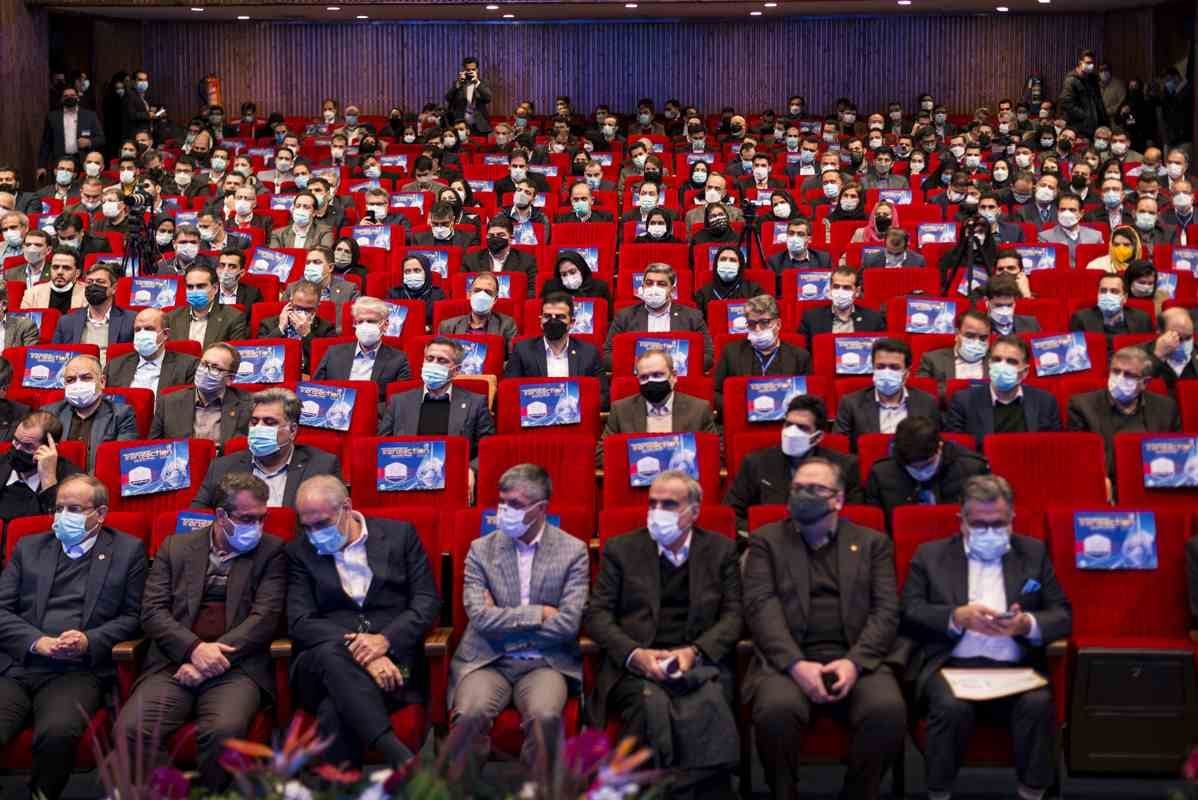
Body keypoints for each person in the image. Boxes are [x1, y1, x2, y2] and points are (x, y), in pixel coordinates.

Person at [901, 474, 1072, 800]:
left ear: (1012, 519)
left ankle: (1033, 793)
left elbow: (1062, 613)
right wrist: (955, 617)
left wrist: (1026, 624)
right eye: (979, 525)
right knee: (950, 708)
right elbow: (909, 611)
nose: (990, 532)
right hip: (952, 666)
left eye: (999, 524)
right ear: (962, 521)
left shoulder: (1032, 552)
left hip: (1016, 668)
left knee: (1038, 704)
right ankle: (939, 793)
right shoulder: (930, 556)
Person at [743, 458, 906, 800]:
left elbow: (886, 610)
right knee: (775, 711)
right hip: (789, 660)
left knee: (886, 709)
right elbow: (761, 608)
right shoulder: (766, 541)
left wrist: (854, 663)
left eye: (815, 489)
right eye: (798, 489)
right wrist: (795, 665)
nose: (804, 495)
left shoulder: (872, 543)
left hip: (856, 656)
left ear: (838, 499)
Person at [119, 472, 286, 792]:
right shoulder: (176, 547)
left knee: (223, 731)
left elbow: (265, 618)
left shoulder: (272, 551)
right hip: (174, 663)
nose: (257, 526)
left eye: (262, 518)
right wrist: (194, 650)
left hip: (237, 667)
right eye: (247, 519)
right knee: (131, 729)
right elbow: (152, 611)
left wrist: (209, 659)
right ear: (221, 516)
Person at [586, 469, 743, 798]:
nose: (657, 512)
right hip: (637, 666)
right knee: (649, 708)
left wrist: (694, 652)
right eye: (653, 503)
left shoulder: (721, 550)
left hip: (698, 661)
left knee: (708, 702)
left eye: (669, 504)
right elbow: (597, 615)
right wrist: (635, 655)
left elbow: (734, 616)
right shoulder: (621, 549)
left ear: (694, 512)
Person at [0, 474, 146, 800]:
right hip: (20, 664)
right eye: (59, 508)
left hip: (77, 671)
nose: (63, 516)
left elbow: (134, 618)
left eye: (75, 509)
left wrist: (88, 640)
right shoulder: (29, 547)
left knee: (57, 733)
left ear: (101, 513)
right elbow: (2, 609)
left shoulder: (127, 551)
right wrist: (36, 641)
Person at [287, 474, 440, 768]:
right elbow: (301, 621)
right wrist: (364, 653)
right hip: (319, 669)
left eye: (322, 524)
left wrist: (385, 641)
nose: (314, 534)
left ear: (346, 507)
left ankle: (345, 785)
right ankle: (398, 756)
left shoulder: (400, 536)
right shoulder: (299, 552)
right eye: (306, 526)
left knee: (334, 712)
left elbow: (426, 601)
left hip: (394, 665)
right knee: (329, 652)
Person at [450, 464, 589, 765]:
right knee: (468, 717)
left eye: (515, 504)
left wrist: (501, 619)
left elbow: (568, 624)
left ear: (541, 508)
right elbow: (480, 618)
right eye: (501, 502)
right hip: (489, 660)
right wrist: (539, 614)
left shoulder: (573, 551)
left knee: (545, 718)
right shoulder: (480, 550)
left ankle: (537, 788)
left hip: (545, 663)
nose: (504, 511)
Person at [725, 395, 862, 532]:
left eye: (802, 427)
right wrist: (762, 536)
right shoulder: (756, 463)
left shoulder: (845, 467)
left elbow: (853, 520)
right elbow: (731, 514)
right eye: (788, 424)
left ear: (818, 437)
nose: (792, 432)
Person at [191, 388, 340, 509]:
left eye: (270, 422)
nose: (258, 428)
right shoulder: (222, 467)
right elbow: (198, 518)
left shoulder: (321, 467)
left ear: (292, 430)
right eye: (254, 422)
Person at [378, 337, 494, 462]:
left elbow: (488, 448)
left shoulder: (476, 403)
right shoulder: (399, 402)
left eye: (442, 360)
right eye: (429, 359)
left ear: (456, 370)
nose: (433, 364)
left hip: (456, 469)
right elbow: (381, 445)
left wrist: (472, 469)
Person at [864, 416, 990, 521]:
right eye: (913, 467)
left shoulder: (972, 470)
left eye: (927, 464)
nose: (920, 471)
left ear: (940, 446)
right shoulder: (880, 474)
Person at [945, 335, 1062, 447]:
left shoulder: (1045, 402)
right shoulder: (963, 402)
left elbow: (1052, 448)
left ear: (1025, 372)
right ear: (989, 364)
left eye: (1011, 361)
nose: (1002, 366)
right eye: (996, 360)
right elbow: (957, 451)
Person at [604, 263, 714, 370]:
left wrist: (679, 366)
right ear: (642, 287)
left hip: (677, 378)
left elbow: (708, 355)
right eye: (649, 283)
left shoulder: (692, 317)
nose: (654, 288)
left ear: (672, 290)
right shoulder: (624, 316)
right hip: (637, 378)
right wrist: (638, 366)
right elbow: (607, 355)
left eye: (661, 284)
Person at [712, 294, 811, 409]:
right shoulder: (731, 353)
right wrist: (737, 409)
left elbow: (807, 398)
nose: (758, 329)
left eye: (764, 322)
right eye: (752, 324)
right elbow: (715, 392)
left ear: (778, 324)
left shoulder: (800, 357)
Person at [835, 338, 939, 446]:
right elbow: (839, 448)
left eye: (894, 367)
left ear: (907, 372)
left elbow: (935, 445)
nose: (886, 372)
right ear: (873, 368)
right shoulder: (851, 404)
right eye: (880, 367)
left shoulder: (927, 403)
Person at [42, 354, 137, 468]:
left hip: (98, 478)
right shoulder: (49, 414)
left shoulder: (122, 415)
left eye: (86, 378)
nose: (78, 384)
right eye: (70, 380)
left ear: (102, 381)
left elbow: (118, 462)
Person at [149, 343, 253, 443]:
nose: (205, 371)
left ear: (230, 378)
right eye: (203, 364)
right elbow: (153, 447)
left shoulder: (246, 405)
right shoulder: (168, 403)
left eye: (215, 367)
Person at [505, 293, 604, 394]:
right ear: (541, 321)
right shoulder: (522, 351)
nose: (553, 321)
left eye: (560, 317)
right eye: (547, 316)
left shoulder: (589, 353)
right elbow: (509, 391)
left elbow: (602, 394)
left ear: (572, 323)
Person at [0, 411, 80, 522]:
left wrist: (48, 480)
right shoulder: (3, 461)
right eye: (15, 441)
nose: (17, 449)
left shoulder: (72, 481)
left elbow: (62, 524)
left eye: (28, 446)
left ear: (50, 448)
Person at [104, 308, 198, 395]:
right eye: (137, 330)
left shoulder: (188, 366)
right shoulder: (114, 367)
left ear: (165, 334)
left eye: (149, 329)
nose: (142, 334)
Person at [49, 263, 132, 358]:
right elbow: (55, 357)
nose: (93, 286)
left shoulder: (130, 320)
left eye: (100, 282)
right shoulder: (66, 321)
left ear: (114, 288)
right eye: (89, 282)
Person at [258, 280, 336, 374]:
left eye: (308, 310)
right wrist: (280, 329)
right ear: (290, 302)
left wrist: (307, 334)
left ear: (317, 306)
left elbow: (329, 362)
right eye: (298, 308)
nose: (302, 313)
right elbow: (259, 357)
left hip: (308, 376)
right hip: (277, 375)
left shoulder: (327, 328)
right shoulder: (268, 324)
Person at [798, 267, 886, 348]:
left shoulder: (873, 319)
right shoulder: (811, 318)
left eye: (846, 287)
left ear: (857, 292)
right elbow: (804, 353)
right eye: (836, 287)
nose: (840, 292)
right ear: (830, 289)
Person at [166, 263, 249, 349]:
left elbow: (235, 353)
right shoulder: (172, 317)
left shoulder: (233, 317)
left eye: (200, 286)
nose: (194, 291)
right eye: (190, 287)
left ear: (215, 288)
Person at [438, 271, 519, 351]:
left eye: (488, 292)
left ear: (495, 299)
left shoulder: (506, 325)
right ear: (469, 294)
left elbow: (511, 357)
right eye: (477, 290)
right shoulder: (448, 326)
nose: (482, 296)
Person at [285, 247, 359, 334]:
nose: (310, 266)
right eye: (308, 262)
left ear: (330, 267)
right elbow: (283, 319)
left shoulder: (349, 290)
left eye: (317, 262)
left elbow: (354, 323)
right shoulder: (292, 288)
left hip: (333, 337)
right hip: (298, 335)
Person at [461, 217, 537, 295]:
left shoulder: (527, 261)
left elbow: (532, 292)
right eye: (491, 235)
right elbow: (464, 292)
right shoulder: (470, 260)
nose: (495, 238)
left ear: (511, 238)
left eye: (501, 235)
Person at [1068, 272, 1153, 340]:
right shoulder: (1081, 318)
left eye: (1114, 291)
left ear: (1124, 297)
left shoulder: (1142, 319)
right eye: (1103, 291)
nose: (1107, 295)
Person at [916, 310, 993, 383]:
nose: (977, 342)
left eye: (983, 338)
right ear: (957, 333)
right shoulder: (933, 360)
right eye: (970, 335)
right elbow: (921, 389)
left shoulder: (995, 361)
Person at [38, 86, 104, 169]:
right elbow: (46, 143)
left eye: (72, 95)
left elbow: (101, 138)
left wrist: (89, 142)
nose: (69, 98)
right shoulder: (52, 117)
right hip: (60, 162)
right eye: (66, 96)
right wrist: (41, 166)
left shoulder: (90, 116)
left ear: (78, 98)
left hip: (83, 161)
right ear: (61, 99)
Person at [693, 246, 765, 316]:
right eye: (723, 259)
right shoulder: (703, 293)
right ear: (716, 264)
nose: (727, 263)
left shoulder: (753, 290)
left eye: (733, 260)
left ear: (740, 266)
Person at [1037, 195, 1102, 268]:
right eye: (1062, 210)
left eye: (1072, 210)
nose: (1066, 214)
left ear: (1081, 213)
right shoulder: (1045, 237)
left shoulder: (1095, 236)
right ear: (1057, 212)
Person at [1142, 307, 1198, 388]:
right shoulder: (1138, 354)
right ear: (1160, 332)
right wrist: (1158, 356)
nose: (1185, 344)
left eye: (1188, 337)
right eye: (1178, 338)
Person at [387, 254, 447, 329]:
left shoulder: (438, 295)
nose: (412, 274)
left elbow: (441, 325)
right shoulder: (394, 294)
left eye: (417, 270)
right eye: (407, 271)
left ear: (426, 272)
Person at [22, 247, 85, 312]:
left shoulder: (86, 294)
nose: (59, 272)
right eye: (55, 267)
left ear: (77, 273)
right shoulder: (32, 293)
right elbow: (23, 318)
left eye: (66, 268)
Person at [766, 218, 833, 275]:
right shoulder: (775, 262)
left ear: (809, 239)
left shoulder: (824, 259)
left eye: (800, 234)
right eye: (791, 233)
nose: (795, 237)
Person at [445, 56, 492, 134]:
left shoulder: (483, 83)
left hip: (479, 123)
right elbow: (448, 98)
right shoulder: (458, 83)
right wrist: (458, 85)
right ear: (464, 70)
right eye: (468, 70)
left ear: (477, 70)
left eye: (473, 69)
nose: (470, 72)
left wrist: (477, 82)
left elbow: (488, 98)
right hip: (460, 122)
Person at [269, 193, 333, 250]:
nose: (301, 210)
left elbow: (324, 256)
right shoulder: (278, 234)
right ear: (293, 209)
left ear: (314, 213)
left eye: (306, 207)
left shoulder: (324, 232)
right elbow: (274, 257)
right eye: (297, 206)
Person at [540, 251, 611, 301]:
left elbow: (607, 315)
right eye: (564, 274)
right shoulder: (550, 288)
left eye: (572, 271)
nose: (569, 277)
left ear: (581, 269)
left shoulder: (600, 287)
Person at [861, 227, 925, 268]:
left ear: (906, 247)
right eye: (889, 253)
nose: (893, 257)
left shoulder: (918, 261)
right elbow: (862, 282)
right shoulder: (870, 260)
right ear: (884, 245)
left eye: (898, 254)